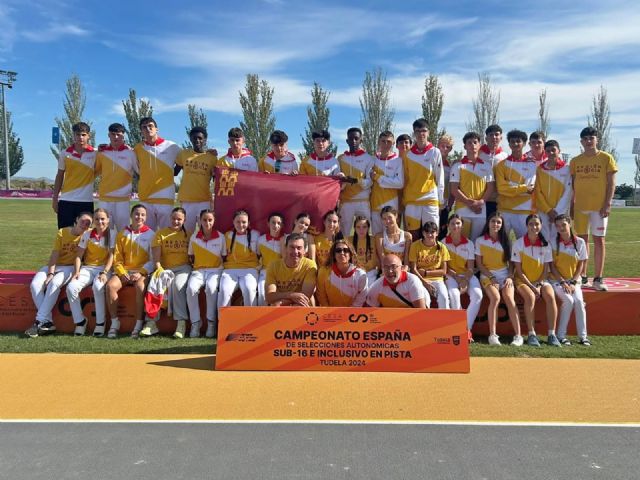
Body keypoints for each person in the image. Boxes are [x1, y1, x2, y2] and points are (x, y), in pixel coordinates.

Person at [25, 212, 93, 337]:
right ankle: (48, 322)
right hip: (54, 265)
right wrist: (50, 272)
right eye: (83, 221)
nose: (85, 224)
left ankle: (38, 322)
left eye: (88, 223)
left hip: (70, 267)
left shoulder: (88, 235)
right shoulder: (62, 232)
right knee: (35, 285)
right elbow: (55, 254)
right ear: (76, 219)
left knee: (54, 284)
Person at [570, 126, 617, 291]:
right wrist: (571, 205)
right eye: (585, 139)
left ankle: (598, 278)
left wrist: (607, 203)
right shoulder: (575, 161)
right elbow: (572, 186)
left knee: (599, 240)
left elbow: (611, 183)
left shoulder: (606, 158)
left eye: (591, 138)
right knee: (581, 242)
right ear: (581, 141)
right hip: (580, 207)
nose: (588, 141)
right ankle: (582, 277)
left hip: (599, 208)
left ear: (597, 139)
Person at [106, 204, 155, 339]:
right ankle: (115, 323)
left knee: (140, 286)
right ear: (131, 216)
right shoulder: (122, 234)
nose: (139, 217)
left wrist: (141, 272)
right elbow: (117, 258)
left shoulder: (152, 234)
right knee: (110, 286)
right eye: (137, 214)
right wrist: (122, 273)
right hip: (125, 271)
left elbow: (153, 260)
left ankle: (139, 323)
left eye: (142, 215)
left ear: (146, 217)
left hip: (141, 272)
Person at [66, 208, 116, 337]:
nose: (100, 221)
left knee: (98, 287)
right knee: (71, 288)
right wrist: (76, 272)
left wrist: (105, 272)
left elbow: (112, 256)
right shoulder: (87, 234)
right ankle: (80, 321)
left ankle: (100, 323)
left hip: (104, 269)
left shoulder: (112, 233)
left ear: (108, 220)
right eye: (97, 219)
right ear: (93, 221)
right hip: (87, 268)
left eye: (103, 219)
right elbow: (79, 255)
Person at [475, 212, 523, 346]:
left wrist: (509, 276)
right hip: (487, 275)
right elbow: (479, 265)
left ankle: (518, 336)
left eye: (498, 222)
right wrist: (491, 277)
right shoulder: (480, 240)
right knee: (495, 298)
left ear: (502, 225)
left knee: (509, 298)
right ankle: (493, 335)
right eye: (493, 221)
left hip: (505, 275)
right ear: (488, 223)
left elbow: (512, 263)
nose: (496, 224)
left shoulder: (507, 241)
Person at [511, 214, 559, 347]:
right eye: (531, 224)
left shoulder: (545, 245)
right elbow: (519, 272)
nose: (534, 227)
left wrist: (539, 284)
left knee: (550, 296)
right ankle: (531, 334)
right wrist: (532, 287)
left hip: (541, 281)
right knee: (530, 297)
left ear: (541, 226)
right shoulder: (518, 243)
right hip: (522, 281)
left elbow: (545, 269)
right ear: (526, 226)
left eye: (537, 224)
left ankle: (552, 334)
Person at [146, 207, 191, 338]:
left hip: (183, 268)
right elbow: (156, 259)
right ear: (169, 218)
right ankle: (151, 323)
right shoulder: (160, 234)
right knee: (154, 285)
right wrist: (159, 270)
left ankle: (181, 324)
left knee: (177, 286)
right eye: (173, 218)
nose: (176, 221)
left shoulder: (189, 234)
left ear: (184, 220)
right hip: (165, 268)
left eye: (179, 219)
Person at [549, 214, 590, 346]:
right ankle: (561, 336)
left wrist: (573, 282)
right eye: (558, 226)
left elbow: (581, 264)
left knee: (579, 302)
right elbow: (552, 266)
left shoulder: (580, 242)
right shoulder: (552, 242)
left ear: (569, 224)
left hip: (573, 281)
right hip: (556, 280)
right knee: (568, 300)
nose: (561, 228)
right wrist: (562, 282)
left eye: (563, 225)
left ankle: (583, 337)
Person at [134, 117, 181, 230]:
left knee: (166, 234)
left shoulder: (172, 146)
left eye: (150, 126)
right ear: (141, 131)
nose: (148, 129)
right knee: (147, 235)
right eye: (144, 127)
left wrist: (174, 172)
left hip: (165, 197)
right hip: (146, 198)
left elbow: (184, 160)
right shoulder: (138, 148)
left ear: (157, 129)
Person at [186, 209, 226, 338]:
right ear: (199, 221)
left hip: (215, 271)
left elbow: (224, 256)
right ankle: (196, 323)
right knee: (190, 289)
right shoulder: (194, 237)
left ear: (214, 221)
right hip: (198, 271)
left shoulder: (221, 237)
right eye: (204, 220)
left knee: (211, 288)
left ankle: (211, 323)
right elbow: (191, 256)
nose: (207, 222)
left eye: (210, 220)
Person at [443, 215, 483, 343]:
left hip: (467, 275)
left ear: (462, 225)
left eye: (458, 223)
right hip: (451, 276)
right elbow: (445, 268)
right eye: (453, 224)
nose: (456, 226)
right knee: (454, 294)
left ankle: (466, 329)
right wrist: (458, 279)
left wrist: (465, 280)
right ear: (449, 226)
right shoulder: (443, 243)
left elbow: (471, 268)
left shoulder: (469, 243)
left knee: (478, 295)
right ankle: (460, 330)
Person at [450, 131, 495, 241]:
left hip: (480, 210)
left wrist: (481, 202)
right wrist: (469, 203)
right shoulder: (458, 165)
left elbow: (490, 187)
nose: (473, 145)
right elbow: (454, 189)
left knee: (477, 242)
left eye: (475, 142)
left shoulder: (487, 166)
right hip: (462, 209)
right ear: (465, 146)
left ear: (479, 145)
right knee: (461, 242)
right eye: (469, 143)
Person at [403, 118, 444, 239]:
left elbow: (439, 177)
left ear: (428, 132)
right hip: (412, 200)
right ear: (414, 133)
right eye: (418, 131)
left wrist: (440, 201)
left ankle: (432, 258)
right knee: (412, 236)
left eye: (424, 130)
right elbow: (405, 179)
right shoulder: (408, 154)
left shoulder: (435, 152)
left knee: (431, 234)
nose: (421, 134)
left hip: (430, 199)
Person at [494, 129, 536, 240]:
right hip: (504, 210)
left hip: (524, 211)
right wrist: (523, 188)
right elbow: (501, 189)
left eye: (518, 141)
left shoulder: (532, 164)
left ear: (525, 143)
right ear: (509, 144)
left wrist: (510, 186)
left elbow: (531, 188)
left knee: (524, 245)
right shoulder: (501, 165)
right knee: (501, 244)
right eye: (512, 141)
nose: (515, 144)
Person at [52, 122, 96, 228]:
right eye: (77, 134)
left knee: (85, 237)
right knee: (65, 235)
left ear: (88, 136)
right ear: (73, 135)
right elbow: (60, 176)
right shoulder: (65, 153)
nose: (80, 137)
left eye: (83, 135)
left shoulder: (96, 154)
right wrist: (55, 199)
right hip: (66, 201)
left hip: (86, 201)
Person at [95, 123, 137, 231]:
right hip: (105, 198)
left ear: (124, 136)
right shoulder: (102, 152)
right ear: (108, 135)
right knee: (104, 232)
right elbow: (94, 171)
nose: (116, 137)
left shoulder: (131, 153)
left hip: (122, 200)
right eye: (113, 134)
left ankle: (121, 249)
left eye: (119, 134)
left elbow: (141, 172)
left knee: (123, 232)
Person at [175, 127, 217, 233]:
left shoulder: (212, 158)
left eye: (200, 138)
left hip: (204, 200)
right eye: (194, 138)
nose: (197, 141)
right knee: (186, 232)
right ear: (190, 139)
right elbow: (174, 172)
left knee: (205, 231)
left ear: (205, 139)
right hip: (187, 200)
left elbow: (216, 179)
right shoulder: (183, 154)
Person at [218, 209, 259, 308]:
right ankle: (223, 321)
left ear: (248, 223)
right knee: (224, 291)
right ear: (233, 222)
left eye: (244, 222)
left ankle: (251, 321)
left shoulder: (256, 235)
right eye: (238, 222)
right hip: (230, 270)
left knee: (249, 290)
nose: (241, 225)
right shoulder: (227, 235)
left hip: (250, 269)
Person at [338, 127, 374, 235]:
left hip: (363, 201)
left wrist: (356, 180)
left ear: (361, 140)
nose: (353, 141)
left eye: (356, 138)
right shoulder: (340, 158)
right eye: (351, 139)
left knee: (365, 234)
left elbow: (370, 182)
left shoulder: (369, 158)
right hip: (346, 202)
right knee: (344, 234)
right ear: (347, 141)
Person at [533, 140, 572, 240]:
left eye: (553, 150)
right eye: (548, 151)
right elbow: (538, 191)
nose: (550, 153)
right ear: (545, 152)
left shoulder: (567, 169)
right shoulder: (540, 169)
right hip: (544, 211)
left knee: (559, 239)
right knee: (544, 239)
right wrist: (548, 210)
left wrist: (557, 212)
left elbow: (568, 192)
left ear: (559, 151)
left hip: (560, 212)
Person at [265, 233, 318, 306]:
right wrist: (290, 295)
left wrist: (284, 301)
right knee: (276, 305)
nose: (295, 251)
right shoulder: (273, 266)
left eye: (299, 248)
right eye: (292, 247)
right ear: (285, 248)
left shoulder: (310, 266)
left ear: (305, 250)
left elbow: (305, 296)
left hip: (300, 304)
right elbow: (269, 297)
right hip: (281, 302)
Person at [408, 221, 450, 308]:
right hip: (420, 280)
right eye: (427, 232)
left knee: (444, 298)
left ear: (437, 233)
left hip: (437, 279)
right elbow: (413, 269)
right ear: (423, 233)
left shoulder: (442, 247)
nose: (429, 235)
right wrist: (425, 283)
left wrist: (427, 273)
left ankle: (444, 321)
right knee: (426, 299)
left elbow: (444, 271)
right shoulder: (415, 246)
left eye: (432, 232)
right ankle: (425, 321)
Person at [316, 239, 368, 307]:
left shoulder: (361, 275)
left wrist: (348, 313)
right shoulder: (323, 271)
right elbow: (321, 296)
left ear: (350, 254)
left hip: (353, 313)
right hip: (329, 313)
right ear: (333, 254)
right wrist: (329, 311)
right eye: (338, 250)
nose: (342, 253)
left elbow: (361, 299)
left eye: (346, 250)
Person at [370, 131, 404, 235]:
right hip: (375, 203)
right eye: (383, 141)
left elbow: (399, 183)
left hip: (391, 204)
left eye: (389, 142)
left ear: (393, 144)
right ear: (378, 142)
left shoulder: (398, 161)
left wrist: (378, 177)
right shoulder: (373, 159)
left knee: (391, 235)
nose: (386, 144)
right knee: (377, 236)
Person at [479, 124, 507, 220]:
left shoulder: (505, 156)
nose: (494, 137)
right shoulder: (479, 153)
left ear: (501, 137)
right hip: (480, 198)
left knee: (495, 228)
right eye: (491, 135)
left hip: (498, 200)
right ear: (486, 138)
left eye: (496, 134)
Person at [257, 212, 285, 306]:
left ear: (282, 225)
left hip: (281, 273)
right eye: (273, 222)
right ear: (268, 224)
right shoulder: (260, 240)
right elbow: (258, 256)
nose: (276, 225)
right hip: (265, 272)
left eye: (279, 223)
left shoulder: (286, 239)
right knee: (262, 294)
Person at [348, 215, 379, 286]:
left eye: (364, 227)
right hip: (354, 272)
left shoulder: (374, 239)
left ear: (368, 228)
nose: (361, 230)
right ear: (354, 228)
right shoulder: (348, 240)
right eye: (358, 227)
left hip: (371, 273)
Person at [437, 134, 455, 238]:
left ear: (451, 149)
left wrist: (449, 205)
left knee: (442, 232)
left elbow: (452, 187)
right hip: (431, 202)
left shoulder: (451, 166)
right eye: (442, 145)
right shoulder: (432, 161)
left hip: (444, 204)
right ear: (438, 145)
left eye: (447, 147)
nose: (444, 148)